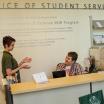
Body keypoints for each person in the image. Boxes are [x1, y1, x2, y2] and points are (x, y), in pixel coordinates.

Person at [1, 36, 32, 104]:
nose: (13, 47)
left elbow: (13, 68)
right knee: (12, 101)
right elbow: (9, 73)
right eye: (12, 45)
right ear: (6, 45)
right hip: (10, 84)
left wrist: (22, 62)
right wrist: (21, 67)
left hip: (10, 83)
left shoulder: (7, 55)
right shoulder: (7, 56)